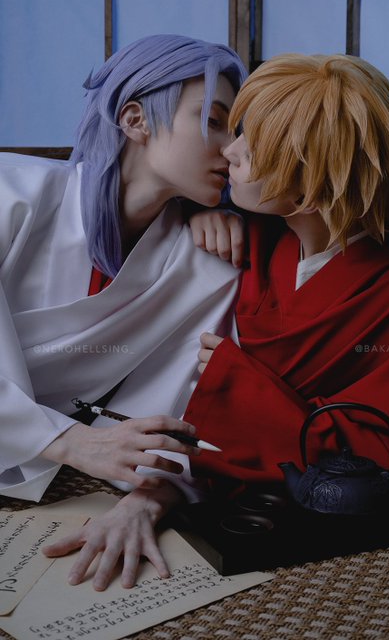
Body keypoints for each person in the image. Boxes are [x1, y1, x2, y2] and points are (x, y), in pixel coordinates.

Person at [0, 34, 247, 587]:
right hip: (48, 447)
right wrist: (68, 441)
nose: (232, 149)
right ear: (135, 120)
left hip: (48, 464)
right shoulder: (10, 192)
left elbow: (177, 404)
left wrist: (149, 498)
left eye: (237, 133)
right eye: (213, 122)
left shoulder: (205, 262)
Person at [187, 53, 389, 493]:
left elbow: (384, 452)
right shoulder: (255, 235)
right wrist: (202, 211)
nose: (228, 151)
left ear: (308, 194)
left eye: (249, 152)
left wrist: (239, 384)